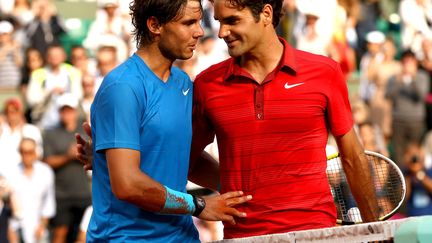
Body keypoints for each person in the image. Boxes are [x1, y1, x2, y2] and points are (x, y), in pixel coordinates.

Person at [78, 0, 379, 239]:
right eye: (216, 21)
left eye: (231, 20)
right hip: (222, 236)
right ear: (155, 25)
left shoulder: (184, 83)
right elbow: (149, 173)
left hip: (310, 232)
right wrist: (111, 160)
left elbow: (353, 157)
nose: (214, 32)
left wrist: (375, 229)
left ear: (266, 14)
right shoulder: (199, 85)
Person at [76, 0, 251, 242]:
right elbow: (127, 184)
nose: (200, 31)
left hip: (182, 236)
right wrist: (199, 205)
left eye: (199, 22)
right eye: (188, 23)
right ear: (155, 25)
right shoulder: (122, 87)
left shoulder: (183, 83)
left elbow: (183, 157)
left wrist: (243, 187)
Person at [43, 93, 91, 243]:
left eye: (69, 110)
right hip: (61, 194)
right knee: (60, 234)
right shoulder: (50, 134)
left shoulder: (85, 132)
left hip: (83, 193)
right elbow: (48, 161)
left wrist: (80, 155)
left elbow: (95, 159)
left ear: (76, 111)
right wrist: (68, 156)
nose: (67, 114)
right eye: (63, 110)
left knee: (83, 236)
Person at [7, 138, 56, 243]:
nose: (26, 155)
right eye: (23, 152)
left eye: (29, 152)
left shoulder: (45, 172)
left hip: (38, 228)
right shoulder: (12, 173)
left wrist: (42, 226)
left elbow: (48, 203)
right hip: (16, 228)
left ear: (35, 152)